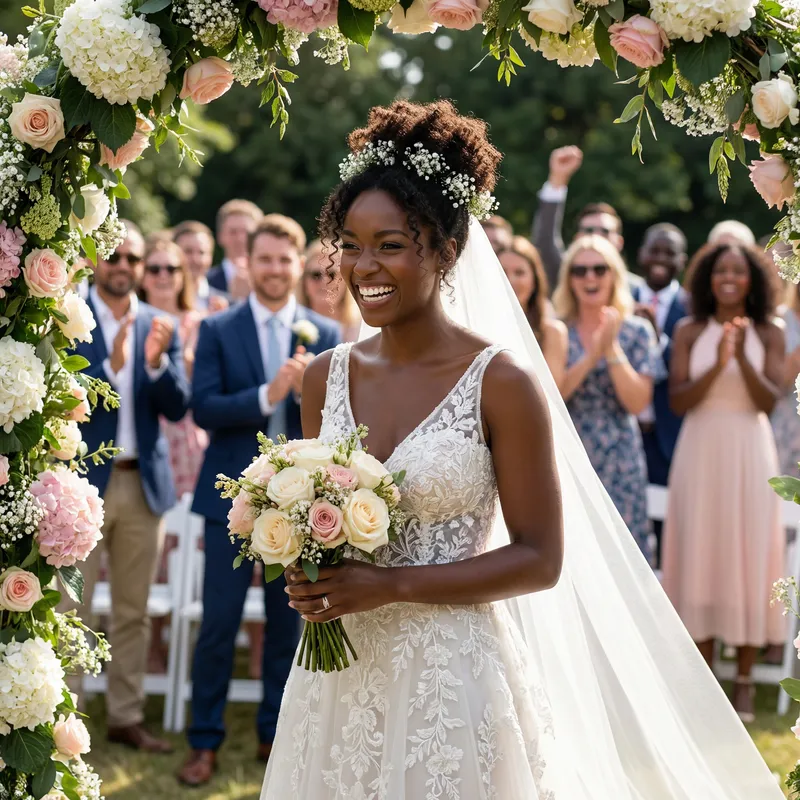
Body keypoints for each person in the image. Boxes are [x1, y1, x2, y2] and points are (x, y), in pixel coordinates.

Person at [261, 100, 781, 800]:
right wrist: (307, 565)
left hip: (453, 678)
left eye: (390, 244)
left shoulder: (502, 383)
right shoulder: (325, 376)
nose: (364, 266)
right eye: (349, 245)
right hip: (339, 673)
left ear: (444, 250)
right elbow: (320, 514)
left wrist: (391, 586)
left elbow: (541, 558)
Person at [178, 214, 340, 786]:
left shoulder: (326, 335)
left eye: (284, 260)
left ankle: (277, 736)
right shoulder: (220, 330)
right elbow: (205, 409)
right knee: (218, 625)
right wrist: (264, 394)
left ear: (299, 265)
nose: (275, 270)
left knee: (285, 625)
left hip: (300, 506)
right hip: (229, 502)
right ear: (249, 264)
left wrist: (301, 398)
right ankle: (204, 743)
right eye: (264, 259)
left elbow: (338, 428)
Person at [69, 221, 190, 752]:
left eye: (133, 258)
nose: (122, 265)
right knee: (74, 608)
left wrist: (156, 363)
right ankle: (64, 717)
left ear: (143, 268)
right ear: (97, 260)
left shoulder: (161, 324)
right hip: (79, 488)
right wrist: (114, 370)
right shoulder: (68, 321)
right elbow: (59, 402)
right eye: (113, 255)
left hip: (142, 485)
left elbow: (178, 406)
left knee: (133, 610)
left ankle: (125, 716)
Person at [663, 242, 786, 722]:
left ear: (753, 279)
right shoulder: (689, 330)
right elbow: (677, 401)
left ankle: (744, 685)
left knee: (748, 552)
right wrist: (718, 361)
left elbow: (767, 401)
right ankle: (704, 678)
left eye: (739, 271)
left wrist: (742, 357)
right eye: (720, 271)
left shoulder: (770, 332)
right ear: (706, 279)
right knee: (703, 551)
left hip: (749, 451)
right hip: (700, 449)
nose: (729, 278)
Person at [554, 235, 659, 561]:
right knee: (573, 552)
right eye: (580, 270)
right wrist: (591, 354)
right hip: (572, 451)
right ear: (569, 279)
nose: (590, 278)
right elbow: (555, 396)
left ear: (614, 274)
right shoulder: (558, 330)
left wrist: (611, 348)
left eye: (599, 269)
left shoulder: (637, 331)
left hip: (620, 456)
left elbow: (637, 403)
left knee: (622, 554)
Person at [630, 223, 689, 564]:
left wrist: (657, 338)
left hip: (670, 439)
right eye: (655, 250)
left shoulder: (692, 306)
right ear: (641, 254)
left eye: (670, 252)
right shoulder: (620, 298)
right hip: (623, 437)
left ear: (682, 260)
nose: (660, 259)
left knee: (669, 541)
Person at [139, 235, 208, 498]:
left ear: (183, 276)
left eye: (172, 268)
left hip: (187, 435)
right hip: (145, 430)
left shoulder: (202, 324)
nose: (163, 275)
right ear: (142, 276)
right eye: (154, 269)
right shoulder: (132, 322)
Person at [531, 145, 644, 293]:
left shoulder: (638, 290)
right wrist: (557, 180)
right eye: (589, 230)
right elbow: (544, 241)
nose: (596, 236)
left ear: (619, 242)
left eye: (605, 231)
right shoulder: (565, 276)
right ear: (577, 238)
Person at [499, 235, 567, 386]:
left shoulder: (552, 333)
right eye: (502, 272)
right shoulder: (472, 326)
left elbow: (552, 394)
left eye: (519, 273)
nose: (510, 281)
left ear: (534, 280)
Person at [297, 238, 362, 342]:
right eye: (316, 275)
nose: (325, 281)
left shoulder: (363, 329)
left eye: (332, 274)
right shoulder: (290, 325)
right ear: (304, 281)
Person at [207, 199, 264, 301]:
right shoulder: (205, 281)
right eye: (233, 232)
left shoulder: (270, 280)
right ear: (220, 236)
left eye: (246, 232)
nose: (240, 239)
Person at [172, 219, 229, 312]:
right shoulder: (156, 300)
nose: (195, 259)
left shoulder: (225, 305)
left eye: (202, 252)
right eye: (188, 251)